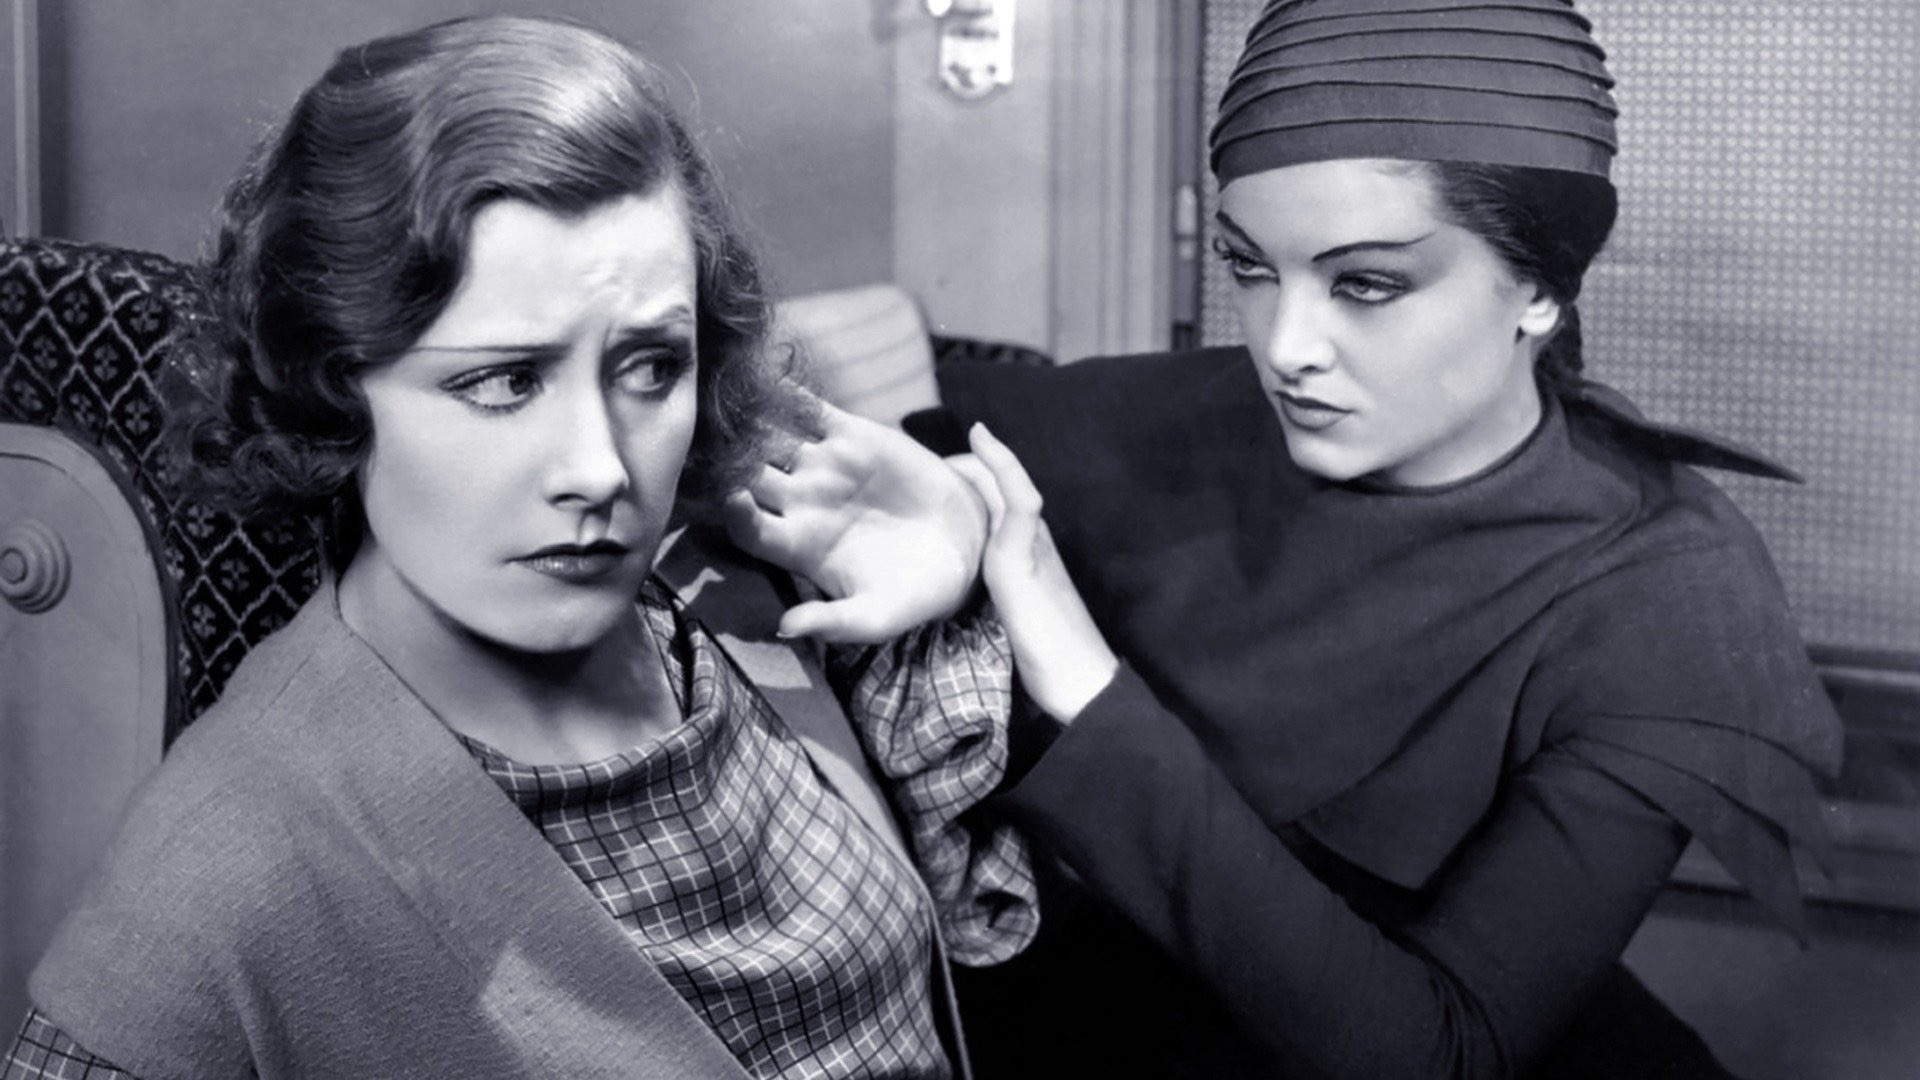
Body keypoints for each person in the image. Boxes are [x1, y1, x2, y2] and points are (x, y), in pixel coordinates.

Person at [729, 1, 1843, 1076]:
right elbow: (929, 453)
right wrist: (962, 514)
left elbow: (1438, 1052)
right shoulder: (1182, 416)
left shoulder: (1671, 598)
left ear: (1541, 289)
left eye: (1367, 283)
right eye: (1251, 268)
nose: (1285, 348)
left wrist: (1078, 671)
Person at [2, 15, 1034, 1080]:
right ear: (333, 384)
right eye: (503, 381)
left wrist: (959, 556)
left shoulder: (738, 610)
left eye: (649, 368)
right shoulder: (229, 865)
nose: (600, 468)